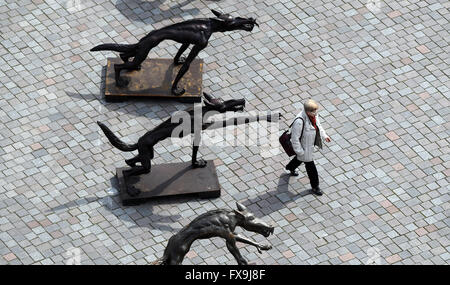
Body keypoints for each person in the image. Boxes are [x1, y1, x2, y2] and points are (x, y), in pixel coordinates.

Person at [285, 99, 331, 196]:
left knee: (301, 159)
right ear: (307, 111)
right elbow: (295, 139)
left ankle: (290, 167)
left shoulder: (313, 116)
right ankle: (315, 186)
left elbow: (318, 126)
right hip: (304, 147)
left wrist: (324, 136)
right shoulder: (299, 122)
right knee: (311, 167)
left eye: (315, 110)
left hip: (309, 144)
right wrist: (300, 151)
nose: (315, 113)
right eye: (313, 111)